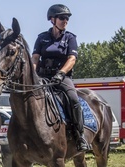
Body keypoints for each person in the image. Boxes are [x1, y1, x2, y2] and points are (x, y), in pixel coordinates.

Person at [31, 4, 89, 152]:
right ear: (52, 19)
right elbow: (35, 59)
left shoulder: (70, 38)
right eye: (62, 18)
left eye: (67, 19)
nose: (65, 21)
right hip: (43, 77)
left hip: (62, 78)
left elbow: (72, 59)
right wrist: (33, 75)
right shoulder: (42, 38)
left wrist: (61, 73)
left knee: (73, 99)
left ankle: (79, 134)